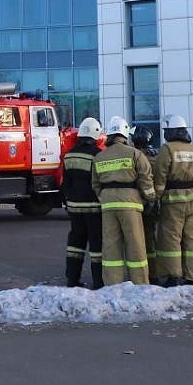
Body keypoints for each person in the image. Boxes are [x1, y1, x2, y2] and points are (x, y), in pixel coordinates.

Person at [91, 116, 156, 285]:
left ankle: (112, 284)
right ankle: (140, 283)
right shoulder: (135, 153)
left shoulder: (99, 157)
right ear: (125, 133)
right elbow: (145, 179)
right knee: (135, 245)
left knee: (111, 245)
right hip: (131, 204)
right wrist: (150, 198)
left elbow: (96, 184)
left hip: (108, 205)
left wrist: (104, 198)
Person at [152, 114, 193, 287]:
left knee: (171, 238)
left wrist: (156, 198)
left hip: (172, 201)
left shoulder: (167, 149)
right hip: (192, 200)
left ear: (171, 131)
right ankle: (192, 277)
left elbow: (160, 176)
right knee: (191, 239)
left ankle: (173, 276)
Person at [62, 118, 104, 288]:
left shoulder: (69, 154)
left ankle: (72, 279)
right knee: (96, 247)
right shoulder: (97, 155)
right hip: (93, 207)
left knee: (75, 244)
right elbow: (100, 181)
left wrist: (67, 202)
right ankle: (98, 281)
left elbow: (66, 182)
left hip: (74, 206)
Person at [132, 126, 160, 273]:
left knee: (137, 240)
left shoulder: (134, 156)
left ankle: (142, 274)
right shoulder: (156, 156)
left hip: (137, 203)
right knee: (150, 239)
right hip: (153, 203)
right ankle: (154, 272)